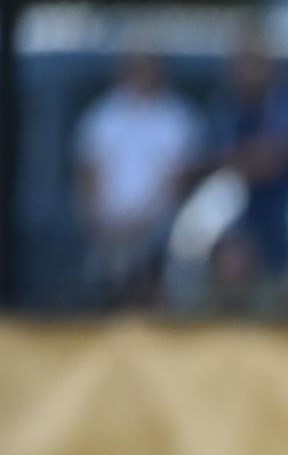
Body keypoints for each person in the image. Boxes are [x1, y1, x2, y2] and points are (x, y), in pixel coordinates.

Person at [73, 52, 202, 306]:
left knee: (150, 277)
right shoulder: (103, 116)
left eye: (147, 67)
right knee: (104, 284)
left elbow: (179, 179)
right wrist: (99, 222)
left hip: (159, 228)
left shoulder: (177, 117)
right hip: (107, 230)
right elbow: (88, 174)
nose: (142, 75)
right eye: (135, 68)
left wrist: (141, 223)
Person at [211, 37, 288, 282]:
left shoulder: (287, 99)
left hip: (282, 195)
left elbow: (278, 157)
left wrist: (249, 161)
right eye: (244, 64)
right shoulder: (226, 103)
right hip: (237, 192)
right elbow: (220, 157)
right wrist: (250, 161)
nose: (250, 72)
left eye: (256, 64)